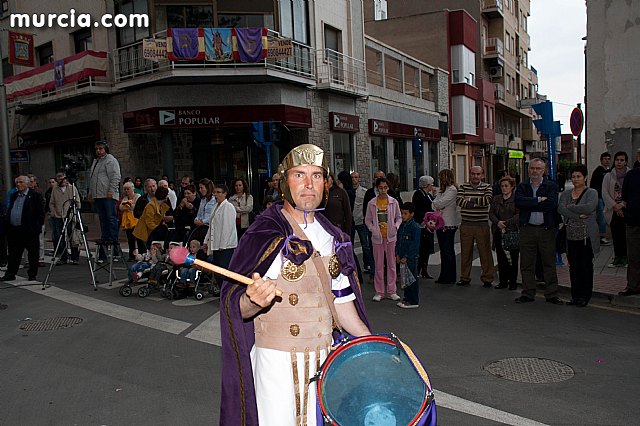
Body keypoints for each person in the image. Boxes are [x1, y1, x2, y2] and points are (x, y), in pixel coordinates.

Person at [219, 144, 370, 425]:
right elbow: (236, 306)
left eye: (316, 175)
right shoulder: (263, 232)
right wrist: (252, 300)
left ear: (326, 183)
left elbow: (343, 304)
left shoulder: (333, 236)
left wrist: (373, 346)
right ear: (283, 182)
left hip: (325, 362)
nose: (309, 184)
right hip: (275, 363)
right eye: (299, 175)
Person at [514, 158, 563, 305]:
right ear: (528, 170)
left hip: (546, 229)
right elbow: (519, 203)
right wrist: (539, 200)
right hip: (527, 228)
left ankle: (552, 294)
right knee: (526, 263)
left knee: (548, 262)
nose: (535, 171)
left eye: (538, 169)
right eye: (532, 168)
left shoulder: (551, 186)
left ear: (543, 170)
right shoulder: (522, 186)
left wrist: (531, 203)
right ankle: (528, 293)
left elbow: (551, 204)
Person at [558, 165, 599, 307]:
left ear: (585, 177)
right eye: (574, 177)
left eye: (579, 176)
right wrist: (577, 214)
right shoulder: (566, 194)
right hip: (570, 237)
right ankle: (575, 296)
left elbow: (589, 207)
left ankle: (585, 296)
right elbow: (561, 209)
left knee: (586, 266)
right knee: (573, 267)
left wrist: (571, 208)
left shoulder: (591, 192)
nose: (576, 179)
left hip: (586, 237)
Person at [456, 166, 495, 287]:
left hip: (482, 224)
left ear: (482, 175)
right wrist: (477, 201)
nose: (475, 176)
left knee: (485, 253)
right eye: (473, 174)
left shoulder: (487, 187)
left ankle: (487, 278)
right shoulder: (463, 187)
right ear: (470, 174)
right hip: (466, 224)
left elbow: (487, 200)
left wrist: (469, 200)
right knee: (465, 253)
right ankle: (465, 277)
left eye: (478, 174)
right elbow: (459, 201)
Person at [0, 176, 45, 282]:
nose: (18, 184)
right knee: (13, 254)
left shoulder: (35, 196)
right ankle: (10, 273)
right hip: (15, 230)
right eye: (17, 182)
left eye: (21, 182)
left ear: (27, 184)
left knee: (32, 253)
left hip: (29, 230)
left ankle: (32, 274)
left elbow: (40, 213)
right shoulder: (14, 195)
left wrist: (36, 227)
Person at [366, 176, 402, 301]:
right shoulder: (372, 203)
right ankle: (379, 292)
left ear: (388, 188)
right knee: (379, 265)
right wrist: (373, 229)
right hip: (377, 238)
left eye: (385, 187)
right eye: (381, 188)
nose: (383, 190)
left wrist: (395, 227)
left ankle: (392, 290)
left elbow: (399, 217)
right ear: (377, 188)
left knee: (392, 264)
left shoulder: (393, 202)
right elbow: (368, 220)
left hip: (391, 237)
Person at [88, 140, 122, 262]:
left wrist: (111, 190)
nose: (98, 151)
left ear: (105, 149)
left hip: (108, 194)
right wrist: (91, 192)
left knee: (111, 217)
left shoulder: (110, 160)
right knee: (103, 219)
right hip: (98, 195)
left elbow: (115, 176)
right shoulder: (96, 161)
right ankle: (105, 239)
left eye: (101, 148)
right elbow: (93, 178)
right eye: (97, 149)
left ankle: (113, 241)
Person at [489, 176, 520, 290]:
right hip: (498, 230)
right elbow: (491, 213)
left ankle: (513, 281)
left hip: (512, 231)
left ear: (512, 186)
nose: (504, 188)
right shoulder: (496, 198)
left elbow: (518, 214)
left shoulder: (516, 199)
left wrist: (507, 223)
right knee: (501, 257)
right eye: (502, 186)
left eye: (506, 186)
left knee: (513, 258)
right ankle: (503, 281)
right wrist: (497, 223)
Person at [602, 151, 631, 268]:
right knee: (616, 234)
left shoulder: (630, 175)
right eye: (617, 160)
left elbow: (632, 192)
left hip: (626, 209)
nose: (619, 162)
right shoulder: (608, 176)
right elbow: (604, 193)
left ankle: (625, 258)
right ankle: (617, 257)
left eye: (622, 160)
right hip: (613, 210)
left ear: (626, 162)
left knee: (626, 235)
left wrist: (622, 204)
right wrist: (614, 205)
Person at [203, 184, 237, 278]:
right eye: (215, 192)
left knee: (224, 272)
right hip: (216, 245)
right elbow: (211, 226)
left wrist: (223, 245)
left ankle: (226, 292)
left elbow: (227, 228)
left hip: (226, 247)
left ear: (225, 194)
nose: (216, 195)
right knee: (217, 272)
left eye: (218, 192)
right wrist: (206, 241)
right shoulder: (215, 207)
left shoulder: (228, 207)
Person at [432, 169, 460, 285]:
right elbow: (434, 204)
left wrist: (437, 204)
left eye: (441, 177)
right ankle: (444, 275)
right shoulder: (442, 190)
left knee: (448, 250)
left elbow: (440, 203)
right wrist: (437, 204)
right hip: (440, 222)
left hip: (448, 223)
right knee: (443, 251)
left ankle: (450, 276)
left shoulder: (452, 190)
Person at [49, 173, 81, 265]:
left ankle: (75, 257)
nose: (62, 181)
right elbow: (51, 203)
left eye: (63, 179)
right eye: (59, 180)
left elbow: (77, 201)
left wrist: (75, 212)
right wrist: (54, 213)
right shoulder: (55, 190)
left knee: (73, 237)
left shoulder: (72, 188)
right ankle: (63, 257)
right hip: (58, 216)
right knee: (60, 237)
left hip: (70, 215)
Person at [396, 202, 421, 308]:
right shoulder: (402, 226)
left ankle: (413, 300)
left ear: (412, 214)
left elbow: (414, 245)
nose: (403, 216)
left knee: (412, 278)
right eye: (402, 213)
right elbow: (398, 241)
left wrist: (406, 256)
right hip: (402, 256)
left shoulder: (415, 227)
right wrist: (397, 254)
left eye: (405, 213)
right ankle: (406, 298)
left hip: (410, 257)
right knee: (405, 278)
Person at [620, 166, 640, 295]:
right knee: (633, 256)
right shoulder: (632, 175)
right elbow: (624, 196)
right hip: (634, 221)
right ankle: (633, 285)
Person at [412, 175, 436, 279]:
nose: (432, 186)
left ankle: (424, 269)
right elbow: (418, 209)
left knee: (427, 248)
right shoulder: (419, 194)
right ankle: (417, 269)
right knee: (422, 248)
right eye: (431, 184)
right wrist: (423, 220)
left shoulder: (428, 195)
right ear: (427, 185)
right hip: (422, 224)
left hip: (429, 224)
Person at [351, 171, 373, 274]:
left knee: (365, 244)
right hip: (351, 221)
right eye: (352, 177)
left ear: (359, 179)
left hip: (361, 220)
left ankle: (367, 264)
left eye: (356, 177)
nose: (354, 179)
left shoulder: (364, 192)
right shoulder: (348, 191)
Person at [590, 152, 612, 246]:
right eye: (605, 159)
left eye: (608, 159)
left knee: (605, 217)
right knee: (601, 218)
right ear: (601, 160)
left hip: (606, 198)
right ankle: (601, 237)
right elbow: (594, 186)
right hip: (599, 197)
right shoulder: (598, 171)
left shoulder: (609, 172)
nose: (607, 161)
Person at [120, 181, 143, 261]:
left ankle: (141, 254)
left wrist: (128, 205)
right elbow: (121, 207)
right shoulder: (125, 198)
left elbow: (135, 207)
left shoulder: (138, 196)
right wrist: (128, 205)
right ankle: (131, 255)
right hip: (128, 222)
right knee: (130, 239)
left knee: (139, 239)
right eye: (125, 189)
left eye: (128, 189)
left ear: (132, 189)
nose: (126, 191)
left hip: (136, 220)